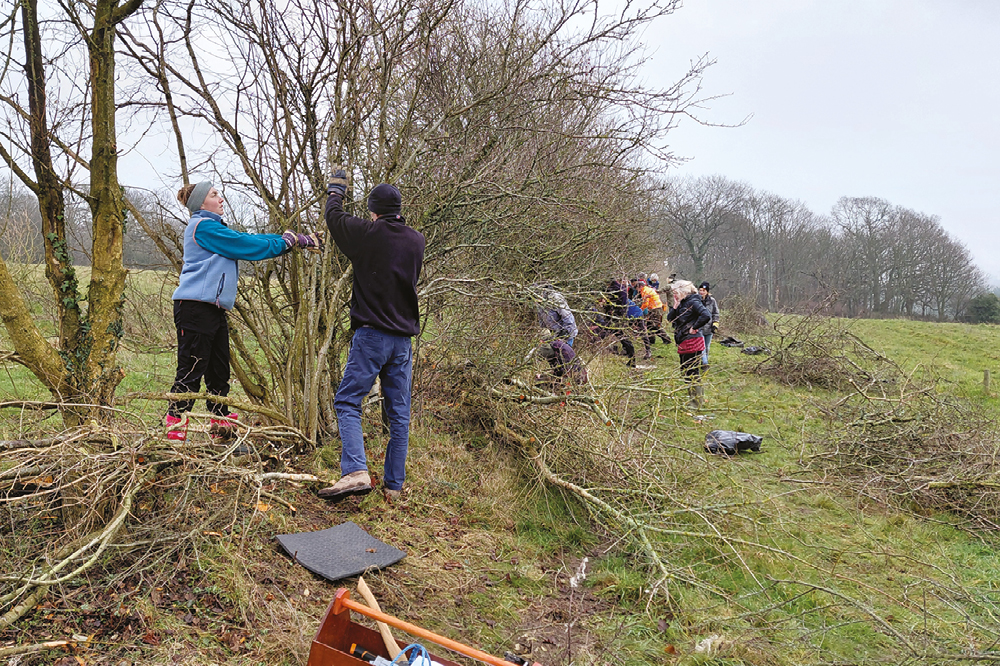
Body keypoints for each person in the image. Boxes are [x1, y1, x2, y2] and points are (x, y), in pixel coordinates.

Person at [165, 182, 321, 442]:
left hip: (212, 309)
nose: (221, 198)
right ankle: (174, 424)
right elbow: (246, 245)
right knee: (192, 368)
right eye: (214, 195)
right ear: (202, 203)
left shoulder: (214, 227)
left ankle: (219, 419)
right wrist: (284, 243)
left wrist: (295, 242)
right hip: (194, 307)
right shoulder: (202, 227)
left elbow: (248, 240)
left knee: (218, 368)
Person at [317, 170, 425, 503]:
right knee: (398, 415)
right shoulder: (416, 240)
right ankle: (393, 488)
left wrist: (336, 190)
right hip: (403, 342)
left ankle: (355, 472)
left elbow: (334, 218)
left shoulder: (367, 234)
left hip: (371, 337)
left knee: (348, 401)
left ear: (373, 211)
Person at [666, 280, 711, 409]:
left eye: (676, 292)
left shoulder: (693, 302)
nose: (674, 295)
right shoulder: (682, 302)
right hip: (684, 341)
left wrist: (695, 327)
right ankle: (693, 397)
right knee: (685, 371)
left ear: (683, 291)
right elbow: (670, 319)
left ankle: (696, 402)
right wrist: (675, 305)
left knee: (692, 372)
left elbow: (706, 315)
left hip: (693, 341)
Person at [603, 278, 636, 367]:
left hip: (617, 316)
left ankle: (632, 358)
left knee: (622, 336)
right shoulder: (620, 288)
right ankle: (630, 357)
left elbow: (613, 303)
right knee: (620, 336)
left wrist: (606, 306)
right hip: (619, 315)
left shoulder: (614, 289)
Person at [698, 281, 720, 367]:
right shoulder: (696, 300)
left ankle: (703, 360)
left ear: (707, 291)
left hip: (709, 327)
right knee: (702, 346)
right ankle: (705, 363)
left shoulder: (712, 301)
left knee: (707, 347)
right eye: (700, 290)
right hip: (699, 327)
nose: (701, 292)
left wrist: (715, 324)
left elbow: (716, 313)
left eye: (703, 290)